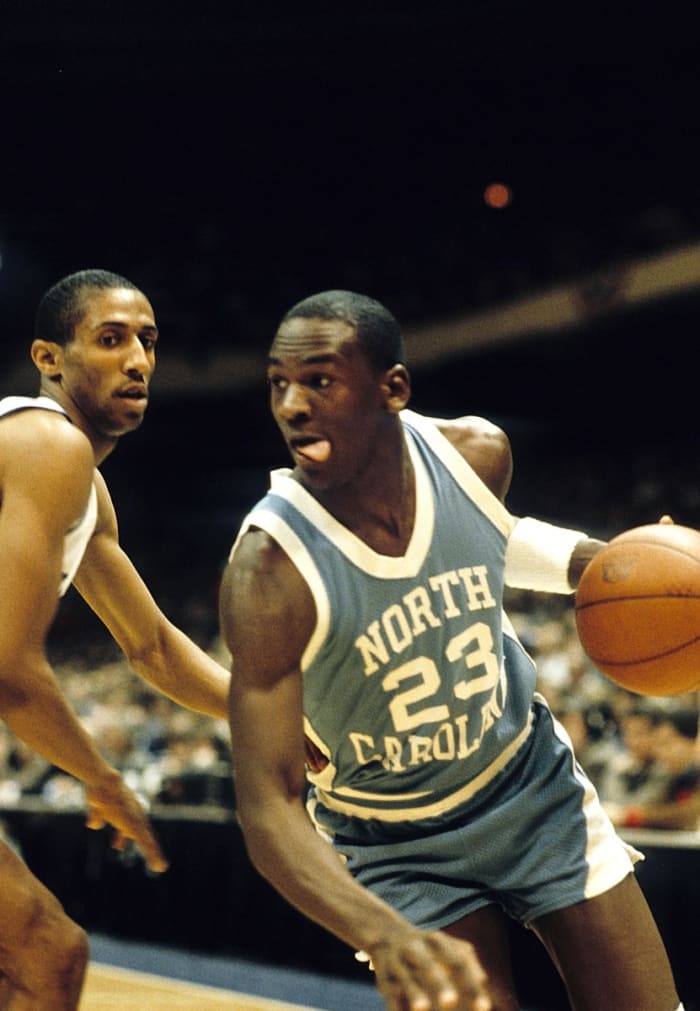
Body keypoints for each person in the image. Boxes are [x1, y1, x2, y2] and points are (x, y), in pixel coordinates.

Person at [219, 290, 684, 1011]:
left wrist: (624, 565)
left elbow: (491, 536)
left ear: (392, 389)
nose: (293, 404)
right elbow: (269, 809)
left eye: (320, 380)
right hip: (395, 842)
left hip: (530, 788)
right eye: (279, 383)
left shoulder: (475, 453)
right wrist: (383, 930)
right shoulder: (269, 572)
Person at [0, 269, 230, 1009]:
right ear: (48, 358)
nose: (138, 358)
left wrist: (274, 718)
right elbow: (8, 670)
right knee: (48, 954)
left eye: (148, 340)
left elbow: (153, 646)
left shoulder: (84, 489)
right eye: (111, 338)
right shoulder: (47, 444)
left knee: (41, 954)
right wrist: (103, 780)